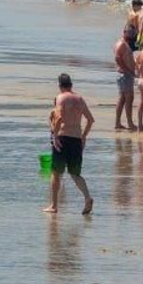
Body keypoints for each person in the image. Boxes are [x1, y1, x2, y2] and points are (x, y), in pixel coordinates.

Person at [45, 73, 95, 215]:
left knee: (56, 173)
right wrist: (83, 137)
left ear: (59, 85)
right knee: (75, 174)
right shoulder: (79, 99)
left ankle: (54, 206)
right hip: (76, 139)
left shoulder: (61, 97)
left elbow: (59, 118)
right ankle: (87, 197)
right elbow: (90, 120)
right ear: (71, 84)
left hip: (63, 139)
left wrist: (55, 136)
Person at [112, 32, 136, 131]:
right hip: (125, 75)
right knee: (128, 99)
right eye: (131, 33)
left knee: (122, 99)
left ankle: (118, 123)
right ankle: (130, 123)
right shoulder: (121, 43)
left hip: (125, 75)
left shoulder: (125, 43)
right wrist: (127, 70)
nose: (133, 35)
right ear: (125, 32)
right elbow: (117, 58)